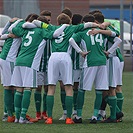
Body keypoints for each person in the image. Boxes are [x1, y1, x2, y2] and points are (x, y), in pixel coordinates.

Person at [33, 13, 100, 124]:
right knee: (68, 86)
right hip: (65, 57)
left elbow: (36, 22)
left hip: (53, 57)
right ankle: (69, 118)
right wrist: (99, 26)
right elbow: (87, 25)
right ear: (68, 22)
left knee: (51, 87)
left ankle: (49, 118)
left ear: (58, 22)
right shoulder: (72, 28)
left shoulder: (52, 27)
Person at [7, 15, 65, 124]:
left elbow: (11, 29)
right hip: (30, 63)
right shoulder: (42, 31)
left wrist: (19, 20)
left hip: (19, 61)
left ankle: (17, 117)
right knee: (28, 89)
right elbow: (55, 34)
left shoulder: (26, 30)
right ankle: (22, 117)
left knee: (19, 90)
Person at [69, 13, 122, 124]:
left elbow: (71, 40)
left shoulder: (83, 32)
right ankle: (94, 116)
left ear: (85, 23)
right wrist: (109, 51)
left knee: (82, 89)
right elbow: (118, 40)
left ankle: (78, 116)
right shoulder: (102, 32)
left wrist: (80, 52)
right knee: (99, 90)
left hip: (89, 62)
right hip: (102, 62)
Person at [92, 12, 124, 123]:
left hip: (111, 60)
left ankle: (115, 115)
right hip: (111, 60)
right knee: (105, 89)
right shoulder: (106, 27)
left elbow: (118, 40)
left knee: (110, 88)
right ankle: (117, 113)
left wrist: (108, 52)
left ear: (96, 22)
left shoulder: (105, 31)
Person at [59, 13, 83, 120]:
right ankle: (65, 112)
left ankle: (75, 111)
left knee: (75, 87)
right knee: (64, 86)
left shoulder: (78, 31)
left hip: (76, 63)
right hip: (65, 62)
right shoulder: (63, 31)